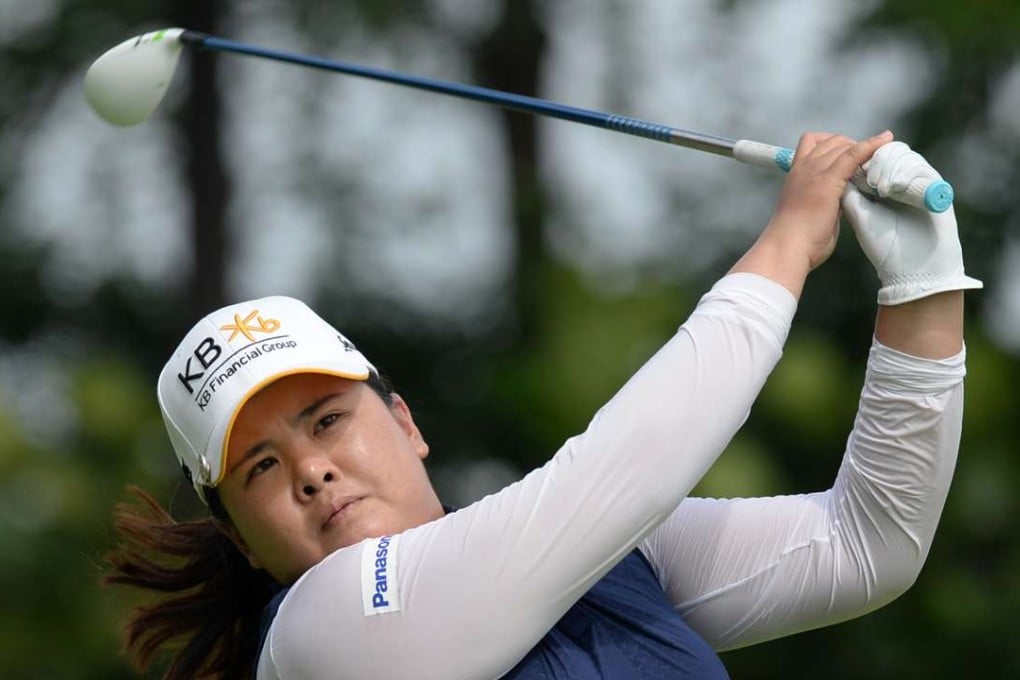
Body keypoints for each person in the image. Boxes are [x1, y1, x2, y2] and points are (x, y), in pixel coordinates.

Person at [104, 131, 981, 679]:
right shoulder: (319, 638)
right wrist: (790, 240)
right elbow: (617, 473)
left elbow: (866, 546)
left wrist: (925, 285)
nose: (311, 469)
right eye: (260, 466)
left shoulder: (596, 555)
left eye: (327, 420)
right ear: (240, 539)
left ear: (404, 423)